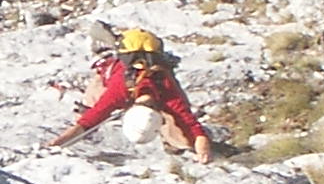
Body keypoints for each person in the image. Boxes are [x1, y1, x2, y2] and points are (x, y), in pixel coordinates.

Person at [45, 26, 216, 162]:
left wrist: (202, 148)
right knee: (91, 105)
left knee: (185, 140)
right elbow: (87, 122)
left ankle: (171, 141)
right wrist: (58, 143)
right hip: (111, 74)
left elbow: (192, 126)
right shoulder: (118, 91)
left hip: (140, 72)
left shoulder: (167, 90)